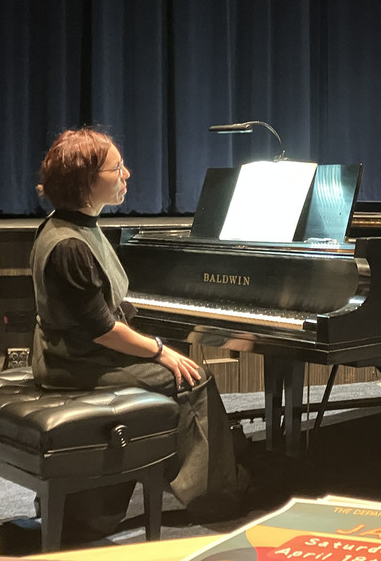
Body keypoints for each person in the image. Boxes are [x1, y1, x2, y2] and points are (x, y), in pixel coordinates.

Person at [30, 127, 247, 536]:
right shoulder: (70, 245)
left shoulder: (72, 226)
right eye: (117, 168)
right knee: (193, 379)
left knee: (179, 363)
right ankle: (217, 495)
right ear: (87, 181)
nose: (127, 174)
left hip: (72, 351)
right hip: (75, 363)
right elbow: (102, 329)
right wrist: (159, 350)